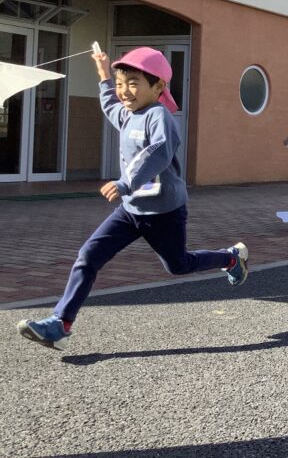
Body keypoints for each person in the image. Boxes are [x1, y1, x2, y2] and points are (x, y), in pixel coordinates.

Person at [17, 48, 248, 351]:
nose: (125, 91)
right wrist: (103, 74)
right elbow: (109, 104)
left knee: (178, 265)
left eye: (134, 83)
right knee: (88, 256)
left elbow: (158, 153)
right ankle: (61, 322)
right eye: (121, 83)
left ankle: (230, 258)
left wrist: (126, 183)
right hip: (130, 210)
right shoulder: (128, 114)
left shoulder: (159, 117)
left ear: (158, 86)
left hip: (164, 212)